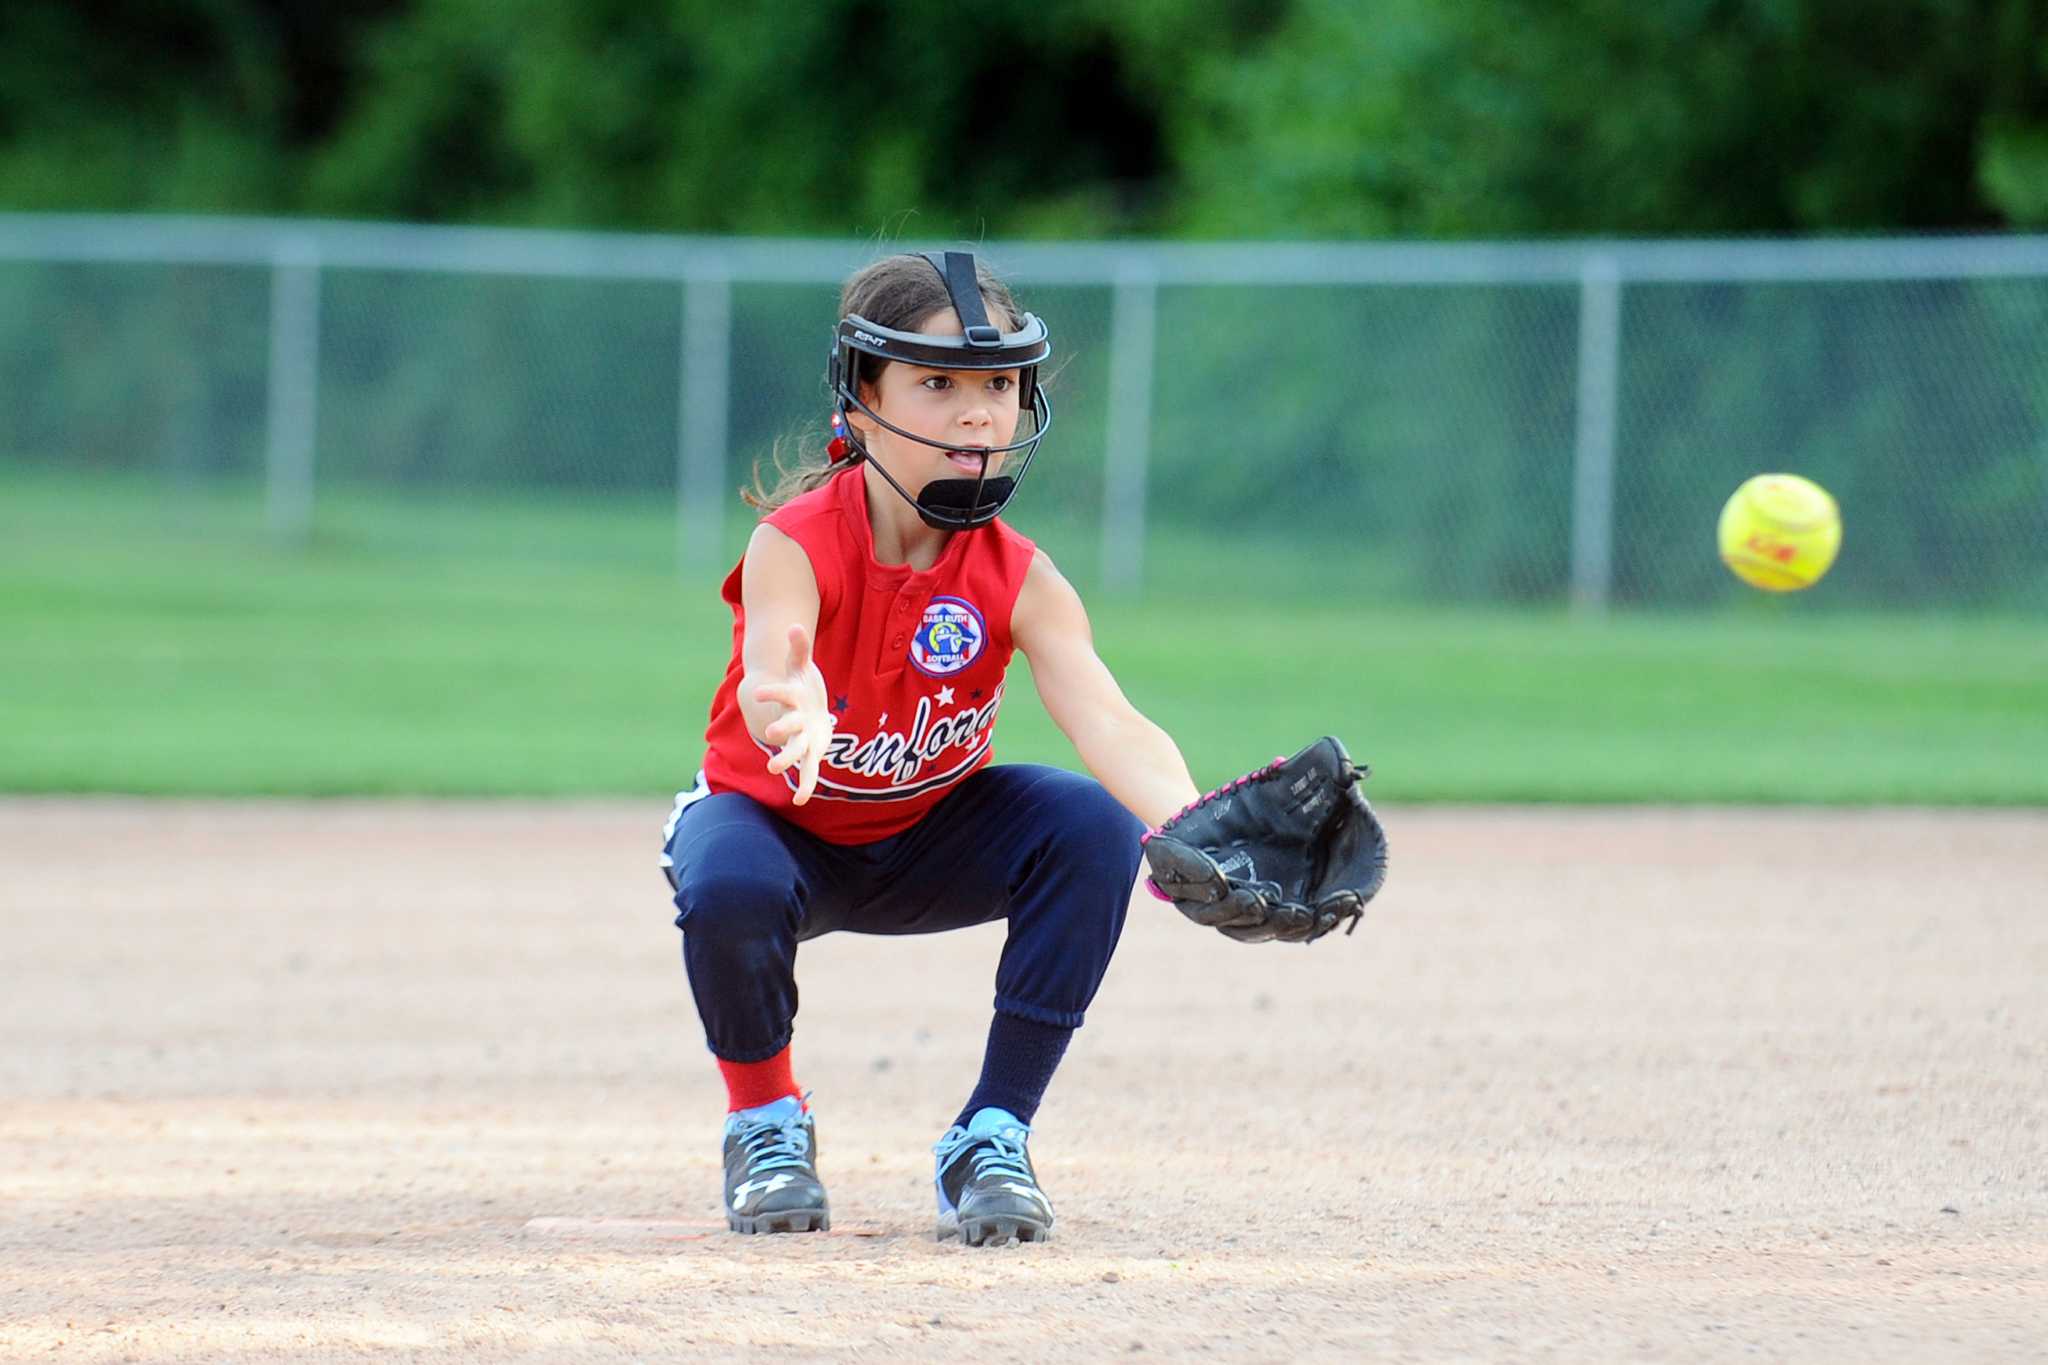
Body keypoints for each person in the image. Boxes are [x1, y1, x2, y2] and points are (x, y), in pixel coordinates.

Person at [660, 250, 1202, 1246]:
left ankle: (991, 1136)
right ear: (862, 403)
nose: (976, 414)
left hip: (923, 837)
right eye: (937, 383)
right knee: (727, 879)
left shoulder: (1018, 574)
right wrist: (796, 711)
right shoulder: (797, 540)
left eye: (997, 386)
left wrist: (1195, 823)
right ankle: (765, 1120)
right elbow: (774, 675)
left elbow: (1107, 719)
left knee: (1090, 825)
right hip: (780, 833)